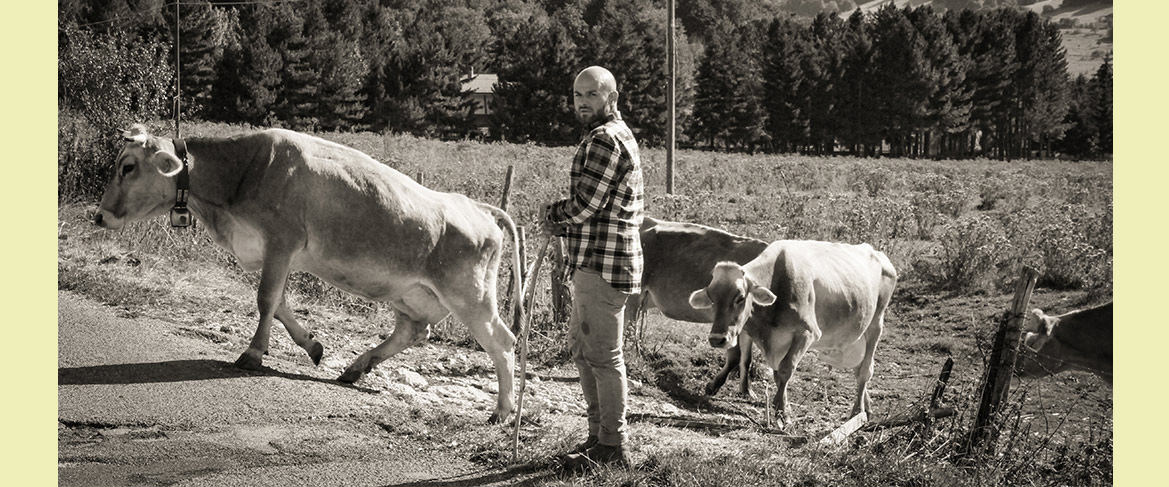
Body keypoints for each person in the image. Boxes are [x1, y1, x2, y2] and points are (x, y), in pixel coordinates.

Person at [540, 66, 644, 470]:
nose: (582, 101)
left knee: (602, 356)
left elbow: (585, 206)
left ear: (611, 98)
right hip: (595, 261)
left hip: (604, 263)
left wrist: (552, 213)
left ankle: (612, 447)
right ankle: (598, 437)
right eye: (577, 95)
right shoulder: (605, 135)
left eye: (592, 95)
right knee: (586, 352)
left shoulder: (604, 140)